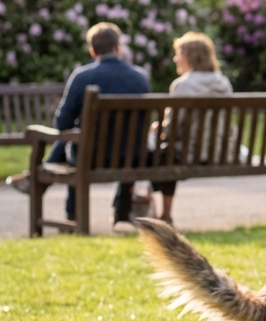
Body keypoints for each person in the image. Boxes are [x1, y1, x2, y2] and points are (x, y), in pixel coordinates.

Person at [5, 23, 150, 225]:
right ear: (118, 48)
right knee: (91, 140)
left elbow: (62, 123)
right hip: (131, 156)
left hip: (89, 157)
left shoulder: (83, 76)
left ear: (92, 51)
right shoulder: (140, 78)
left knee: (73, 138)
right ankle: (121, 210)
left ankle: (71, 212)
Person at [150, 32, 235, 225]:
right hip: (219, 152)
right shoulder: (224, 83)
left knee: (159, 155)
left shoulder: (183, 85)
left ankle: (163, 213)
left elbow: (170, 132)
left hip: (188, 154)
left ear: (189, 57)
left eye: (178, 54)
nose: (175, 59)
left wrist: (158, 129)